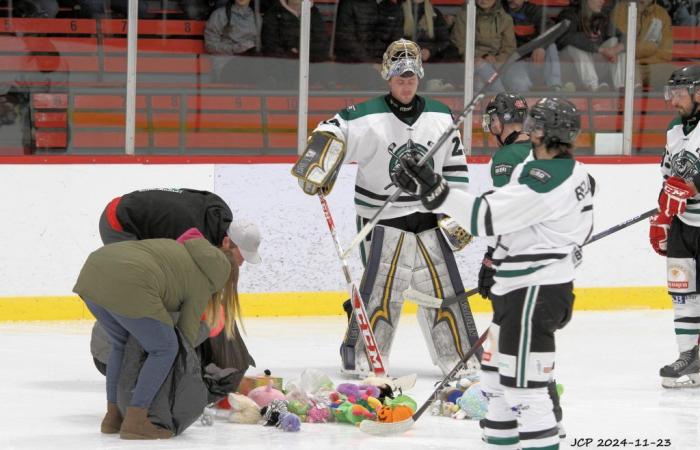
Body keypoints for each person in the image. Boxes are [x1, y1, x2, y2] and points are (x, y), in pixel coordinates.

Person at [393, 97, 594, 449]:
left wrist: (436, 189)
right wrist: (428, 190)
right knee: (495, 385)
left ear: (544, 131)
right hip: (521, 290)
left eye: (536, 125)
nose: (530, 131)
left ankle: (543, 439)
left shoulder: (546, 183)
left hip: (535, 294)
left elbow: (482, 218)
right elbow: (506, 209)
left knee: (524, 392)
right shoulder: (563, 167)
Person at [294, 38, 477, 377]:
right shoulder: (364, 116)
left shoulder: (440, 115)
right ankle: (364, 360)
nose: (405, 84)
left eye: (411, 78)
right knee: (381, 291)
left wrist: (456, 210)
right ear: (387, 77)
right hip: (382, 219)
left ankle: (459, 358)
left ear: (419, 77)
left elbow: (455, 164)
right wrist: (319, 162)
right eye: (399, 78)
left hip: (428, 216)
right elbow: (329, 131)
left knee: (443, 290)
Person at [73, 234, 236, 439]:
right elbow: (186, 337)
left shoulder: (181, 250)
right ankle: (136, 419)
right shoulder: (204, 281)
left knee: (120, 343)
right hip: (131, 281)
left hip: (92, 273)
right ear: (221, 276)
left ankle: (113, 416)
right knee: (165, 348)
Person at [93, 188, 260, 379]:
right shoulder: (191, 233)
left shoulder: (220, 219)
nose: (241, 263)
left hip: (147, 219)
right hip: (119, 222)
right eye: (243, 256)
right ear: (227, 241)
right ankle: (118, 353)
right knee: (144, 289)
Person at [649, 65, 700, 389]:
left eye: (680, 94)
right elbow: (669, 177)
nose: (673, 101)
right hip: (684, 226)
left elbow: (690, 183)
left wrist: (694, 186)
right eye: (672, 94)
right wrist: (663, 214)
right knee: (682, 295)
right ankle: (688, 360)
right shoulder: (673, 128)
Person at [556, 0, 625, 92]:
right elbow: (567, 37)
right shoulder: (569, 14)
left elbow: (623, 36)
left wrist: (615, 50)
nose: (602, 1)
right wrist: (601, 50)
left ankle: (621, 87)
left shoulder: (601, 16)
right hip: (571, 73)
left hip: (595, 68)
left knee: (614, 41)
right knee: (575, 46)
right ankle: (593, 87)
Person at [450, 0, 515, 92]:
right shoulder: (464, 16)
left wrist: (496, 59)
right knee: (482, 69)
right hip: (471, 62)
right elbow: (459, 44)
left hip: (497, 63)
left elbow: (509, 48)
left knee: (519, 81)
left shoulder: (506, 19)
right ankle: (503, 98)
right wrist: (481, 57)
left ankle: (503, 100)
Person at [502, 0, 566, 92]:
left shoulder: (533, 10)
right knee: (521, 85)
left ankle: (555, 88)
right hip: (513, 62)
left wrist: (541, 47)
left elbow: (551, 30)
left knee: (551, 46)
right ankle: (524, 104)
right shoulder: (500, 10)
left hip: (534, 60)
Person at [611, 0, 672, 90]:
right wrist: (650, 48)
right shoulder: (621, 10)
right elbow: (621, 45)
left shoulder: (662, 15)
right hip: (624, 65)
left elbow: (666, 53)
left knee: (678, 75)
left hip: (650, 68)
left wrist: (641, 61)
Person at [204, 0, 259, 83]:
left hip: (251, 65)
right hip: (226, 64)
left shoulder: (257, 18)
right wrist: (234, 48)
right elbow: (210, 45)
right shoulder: (219, 15)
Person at [261, 0, 328, 62]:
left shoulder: (313, 12)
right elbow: (270, 45)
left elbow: (321, 43)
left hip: (310, 65)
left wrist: (298, 48)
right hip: (282, 65)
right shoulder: (273, 13)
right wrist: (290, 50)